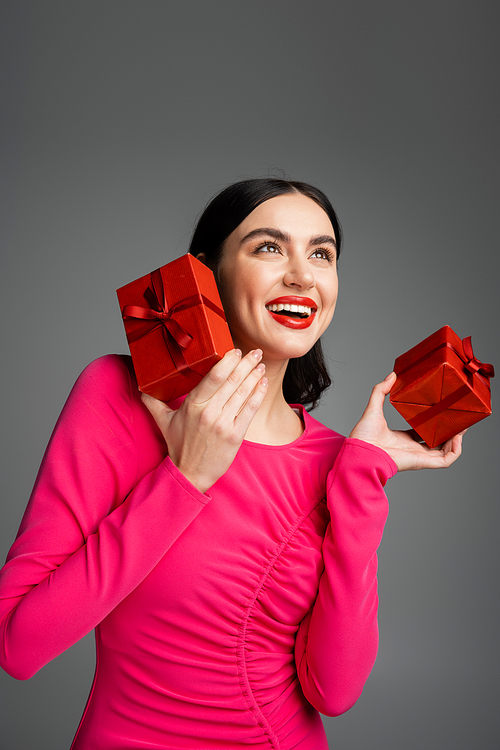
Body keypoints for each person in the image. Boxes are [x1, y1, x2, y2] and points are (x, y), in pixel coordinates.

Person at [0, 178, 463, 749]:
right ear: (205, 274)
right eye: (269, 247)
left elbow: (334, 692)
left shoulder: (335, 461)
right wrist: (185, 477)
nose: (302, 275)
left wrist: (364, 479)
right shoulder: (117, 396)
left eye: (322, 253)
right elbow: (18, 646)